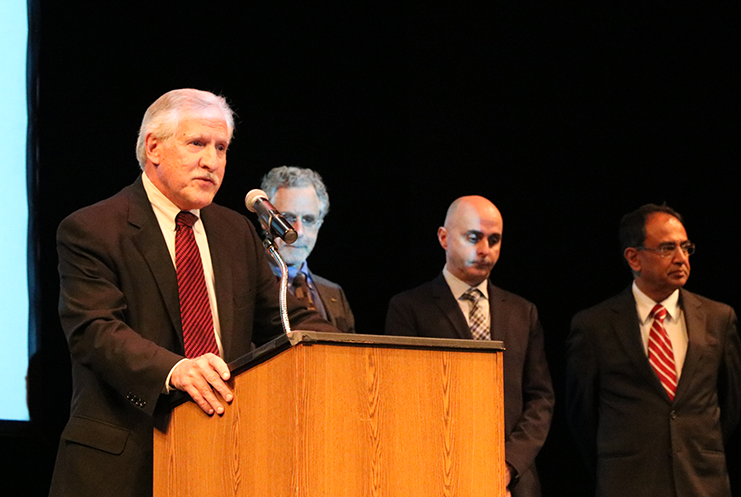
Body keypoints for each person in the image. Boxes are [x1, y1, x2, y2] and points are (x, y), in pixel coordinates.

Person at [49, 89, 336, 497]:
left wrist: (339, 351)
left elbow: (285, 319)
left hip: (225, 456)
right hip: (126, 461)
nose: (212, 161)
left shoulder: (235, 231)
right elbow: (95, 331)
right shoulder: (93, 229)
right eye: (197, 144)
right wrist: (175, 369)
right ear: (154, 148)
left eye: (221, 148)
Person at [565, 204, 741, 497]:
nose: (681, 258)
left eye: (686, 247)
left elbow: (730, 404)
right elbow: (581, 414)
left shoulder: (719, 319)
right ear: (634, 257)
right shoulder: (594, 326)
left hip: (701, 483)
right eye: (667, 248)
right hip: (627, 483)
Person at [385, 195, 554, 497]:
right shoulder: (409, 309)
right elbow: (403, 399)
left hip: (515, 482)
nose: (485, 250)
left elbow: (540, 398)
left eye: (494, 239)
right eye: (473, 237)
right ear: (444, 237)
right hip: (440, 476)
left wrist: (508, 464)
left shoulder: (522, 312)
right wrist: (459, 464)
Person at [260, 166, 355, 333]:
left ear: (319, 224)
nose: (299, 231)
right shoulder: (248, 284)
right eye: (288, 218)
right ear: (264, 221)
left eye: (308, 219)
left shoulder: (333, 292)